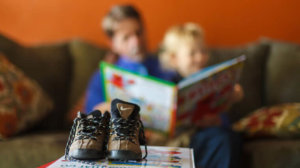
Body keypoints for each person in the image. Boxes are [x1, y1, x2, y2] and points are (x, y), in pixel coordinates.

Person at [159, 23, 243, 168]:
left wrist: (234, 94)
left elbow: (225, 114)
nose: (200, 58)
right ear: (174, 59)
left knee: (229, 137)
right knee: (221, 139)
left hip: (213, 132)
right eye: (192, 53)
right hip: (185, 139)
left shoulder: (212, 79)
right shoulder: (168, 84)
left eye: (203, 51)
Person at [84, 5, 174, 114]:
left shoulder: (166, 65)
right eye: (126, 38)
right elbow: (90, 121)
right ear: (113, 44)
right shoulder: (102, 78)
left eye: (139, 33)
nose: (136, 42)